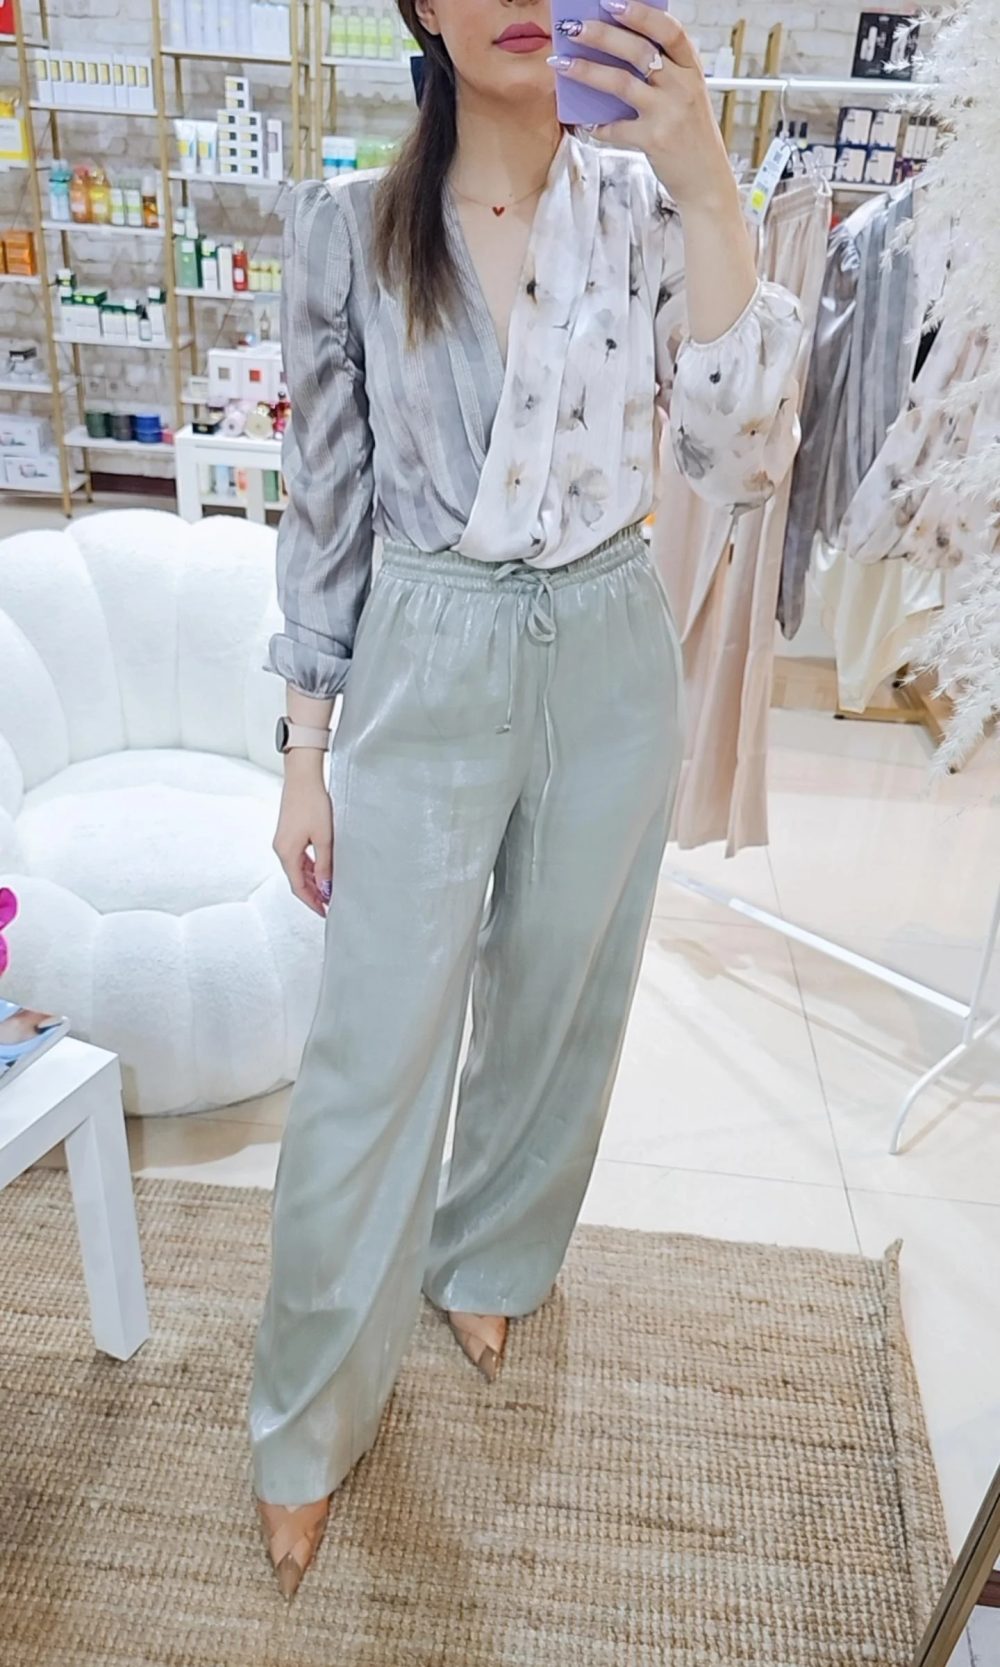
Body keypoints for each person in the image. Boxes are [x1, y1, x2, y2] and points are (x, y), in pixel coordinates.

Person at [248, 0, 804, 1599]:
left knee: (562, 1001)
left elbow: (741, 461)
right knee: (370, 1060)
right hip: (426, 650)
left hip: (608, 643)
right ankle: (307, 1417)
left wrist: (708, 180)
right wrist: (304, 750)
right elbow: (325, 510)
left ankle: (489, 1255)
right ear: (417, 7)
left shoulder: (646, 207)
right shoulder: (350, 228)